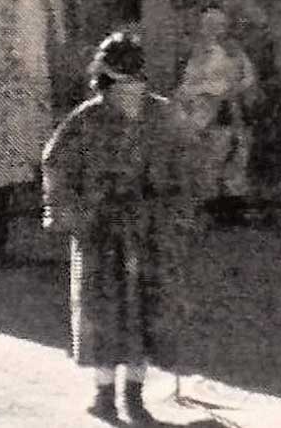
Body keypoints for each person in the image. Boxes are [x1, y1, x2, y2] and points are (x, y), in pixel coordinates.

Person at [41, 32, 196, 425]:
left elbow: (186, 170)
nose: (132, 89)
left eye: (136, 81)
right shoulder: (88, 119)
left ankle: (127, 395)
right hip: (105, 230)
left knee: (141, 307)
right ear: (108, 80)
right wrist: (76, 215)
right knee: (108, 308)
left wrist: (174, 212)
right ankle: (112, 395)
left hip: (145, 229)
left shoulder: (158, 116)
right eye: (124, 82)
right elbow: (57, 167)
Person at [176, 4, 261, 227]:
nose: (214, 30)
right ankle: (211, 211)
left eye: (219, 25)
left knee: (236, 159)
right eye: (209, 25)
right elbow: (188, 85)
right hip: (208, 113)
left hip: (233, 111)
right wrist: (206, 93)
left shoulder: (235, 53)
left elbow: (248, 78)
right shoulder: (197, 54)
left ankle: (234, 211)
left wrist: (235, 92)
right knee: (210, 161)